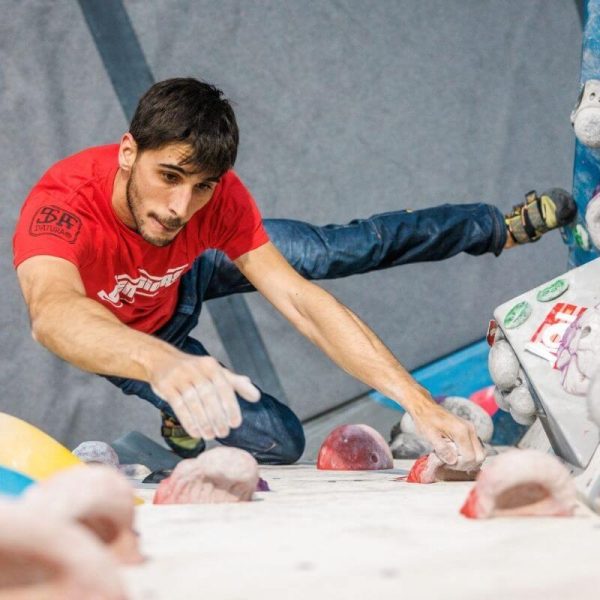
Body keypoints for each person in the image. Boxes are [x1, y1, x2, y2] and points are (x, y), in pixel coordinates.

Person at [12, 78, 576, 469]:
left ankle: (495, 227)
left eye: (202, 186)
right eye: (169, 176)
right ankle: (177, 421)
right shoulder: (62, 205)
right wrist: (163, 363)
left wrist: (418, 403)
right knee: (279, 441)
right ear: (129, 152)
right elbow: (54, 314)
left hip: (196, 267)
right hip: (141, 337)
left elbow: (302, 304)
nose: (181, 207)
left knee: (330, 251)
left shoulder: (213, 202)